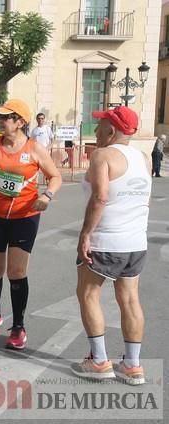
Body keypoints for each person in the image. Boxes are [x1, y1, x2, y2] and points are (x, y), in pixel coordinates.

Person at [0, 99, 62, 350]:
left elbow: (55, 177)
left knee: (16, 272)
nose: (0, 121)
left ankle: (18, 326)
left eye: (6, 118)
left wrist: (47, 196)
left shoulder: (35, 148)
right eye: (0, 117)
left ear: (20, 122)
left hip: (24, 216)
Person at [71, 106, 151, 386]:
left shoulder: (102, 155)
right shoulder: (143, 158)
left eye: (100, 125)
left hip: (106, 240)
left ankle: (99, 361)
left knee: (88, 294)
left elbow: (101, 197)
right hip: (136, 242)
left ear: (112, 130)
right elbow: (145, 200)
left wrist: (85, 234)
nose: (96, 130)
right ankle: (132, 365)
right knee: (130, 300)